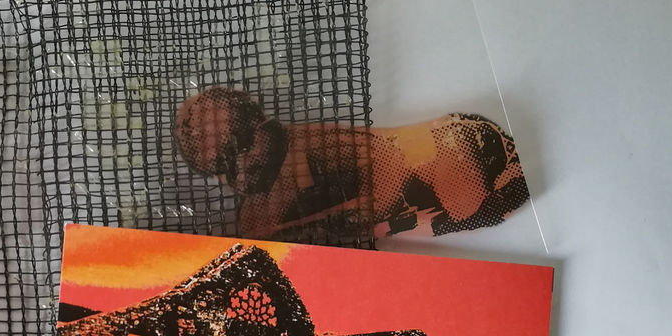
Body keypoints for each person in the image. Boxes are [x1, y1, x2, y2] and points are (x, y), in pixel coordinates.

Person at [175, 86, 529, 240]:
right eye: (222, 168)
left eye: (242, 146)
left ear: (261, 123)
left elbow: (389, 163)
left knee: (459, 186)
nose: (240, 169)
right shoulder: (257, 219)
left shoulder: (312, 146)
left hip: (442, 161)